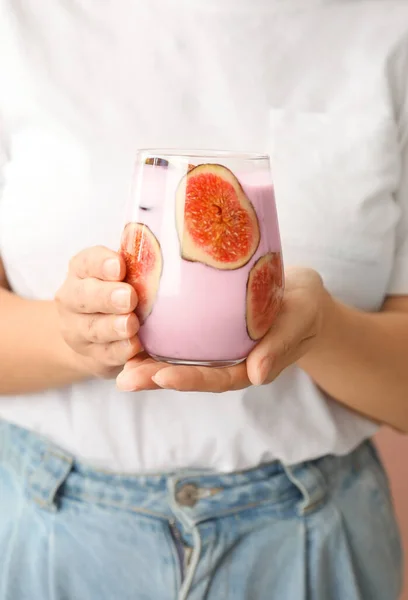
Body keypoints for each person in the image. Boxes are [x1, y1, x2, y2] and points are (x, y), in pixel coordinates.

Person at [0, 0, 407, 598]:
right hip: (57, 536)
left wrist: (323, 330)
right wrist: (73, 339)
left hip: (310, 545)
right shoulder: (19, 20)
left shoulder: (389, 23)